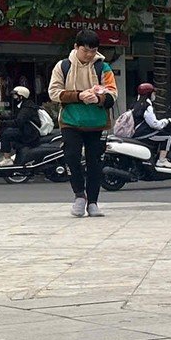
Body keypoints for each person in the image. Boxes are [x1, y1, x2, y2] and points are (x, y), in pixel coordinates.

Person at [48, 29, 117, 217]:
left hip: (96, 122)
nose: (89, 55)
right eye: (85, 50)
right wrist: (79, 96)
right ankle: (79, 195)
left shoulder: (103, 68)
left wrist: (99, 98)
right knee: (71, 156)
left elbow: (112, 93)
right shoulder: (63, 66)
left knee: (95, 162)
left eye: (93, 51)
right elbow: (54, 93)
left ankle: (93, 202)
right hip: (70, 121)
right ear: (76, 47)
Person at [128, 83, 171, 167]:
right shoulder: (147, 106)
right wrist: (167, 121)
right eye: (153, 93)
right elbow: (154, 124)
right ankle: (162, 160)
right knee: (168, 137)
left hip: (135, 133)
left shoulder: (135, 104)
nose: (154, 95)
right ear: (148, 94)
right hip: (143, 134)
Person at [0, 86, 42, 164]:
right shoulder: (24, 105)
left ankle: (7, 159)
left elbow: (18, 122)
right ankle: (9, 156)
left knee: (5, 134)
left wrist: (1, 123)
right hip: (26, 130)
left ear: (21, 96)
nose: (14, 97)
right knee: (7, 131)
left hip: (29, 134)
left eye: (15, 95)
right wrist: (1, 117)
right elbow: (15, 117)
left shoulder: (27, 108)